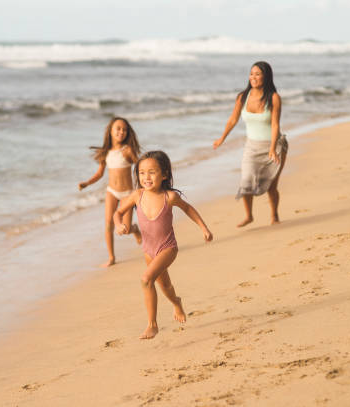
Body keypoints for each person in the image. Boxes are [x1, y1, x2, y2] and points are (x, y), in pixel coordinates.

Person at [114, 151, 213, 339]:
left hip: (168, 247)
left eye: (152, 172)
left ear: (164, 174)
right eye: (142, 173)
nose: (146, 177)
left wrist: (204, 228)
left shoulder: (170, 197)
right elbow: (117, 213)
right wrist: (119, 224)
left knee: (146, 279)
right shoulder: (137, 196)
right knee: (165, 286)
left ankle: (152, 325)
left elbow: (189, 209)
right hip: (148, 250)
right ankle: (177, 303)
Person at [213, 61, 288, 227]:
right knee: (246, 181)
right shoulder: (242, 97)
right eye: (251, 73)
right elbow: (233, 119)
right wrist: (222, 138)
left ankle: (274, 215)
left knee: (271, 185)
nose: (253, 77)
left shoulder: (274, 98)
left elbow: (275, 125)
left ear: (266, 76)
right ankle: (249, 216)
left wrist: (272, 150)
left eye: (258, 74)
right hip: (251, 147)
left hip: (273, 146)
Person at [79, 117, 142, 267]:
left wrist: (143, 185)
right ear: (110, 131)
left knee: (125, 229)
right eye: (118, 128)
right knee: (108, 224)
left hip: (127, 193)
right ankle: (111, 257)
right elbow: (100, 174)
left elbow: (139, 167)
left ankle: (134, 229)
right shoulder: (105, 152)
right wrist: (87, 183)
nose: (121, 132)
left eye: (124, 129)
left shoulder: (127, 150)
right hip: (112, 192)